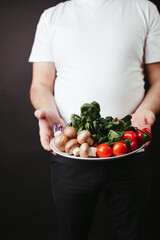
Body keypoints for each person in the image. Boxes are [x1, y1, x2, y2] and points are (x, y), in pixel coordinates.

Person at [29, 0, 160, 239]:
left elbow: (159, 79)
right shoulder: (52, 17)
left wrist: (146, 110)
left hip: (130, 149)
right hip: (71, 153)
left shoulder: (144, 9)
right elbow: (40, 84)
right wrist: (47, 112)